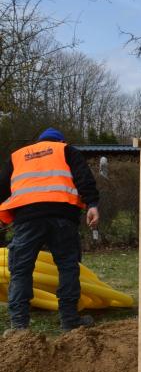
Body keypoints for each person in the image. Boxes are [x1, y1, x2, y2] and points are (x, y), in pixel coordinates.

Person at [0, 128, 100, 335]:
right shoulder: (66, 150)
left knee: (20, 270)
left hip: (27, 219)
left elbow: (1, 187)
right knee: (67, 266)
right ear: (61, 141)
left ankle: (19, 326)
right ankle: (69, 320)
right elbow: (84, 179)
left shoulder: (18, 156)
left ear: (38, 142)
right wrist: (92, 204)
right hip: (62, 216)